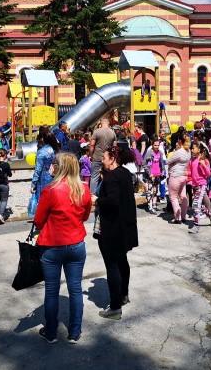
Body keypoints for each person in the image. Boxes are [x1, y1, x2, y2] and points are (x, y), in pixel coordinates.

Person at [33, 153, 92, 343]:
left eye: (54, 163)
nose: (52, 166)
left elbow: (39, 220)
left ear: (61, 167)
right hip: (76, 243)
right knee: (75, 289)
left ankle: (51, 332)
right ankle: (74, 331)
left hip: (52, 244)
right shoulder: (83, 189)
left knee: (51, 290)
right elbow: (84, 216)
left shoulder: (51, 190)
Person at [96, 145, 138, 320]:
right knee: (122, 262)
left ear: (112, 159)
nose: (102, 160)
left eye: (104, 158)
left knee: (112, 266)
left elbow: (112, 201)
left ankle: (114, 307)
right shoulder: (125, 173)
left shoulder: (111, 177)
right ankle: (123, 294)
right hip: (125, 227)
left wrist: (97, 200)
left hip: (112, 229)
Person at [30, 132, 59, 220]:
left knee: (43, 201)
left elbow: (38, 169)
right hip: (55, 177)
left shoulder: (42, 152)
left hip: (44, 178)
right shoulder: (56, 150)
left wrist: (33, 183)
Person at [188, 142, 211, 233]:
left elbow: (208, 174)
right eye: (191, 148)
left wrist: (203, 164)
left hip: (201, 185)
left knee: (196, 205)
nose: (191, 150)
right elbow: (190, 173)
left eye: (193, 148)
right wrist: (190, 182)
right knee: (200, 206)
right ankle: (210, 214)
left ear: (199, 150)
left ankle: (196, 225)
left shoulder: (204, 160)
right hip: (195, 186)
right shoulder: (191, 160)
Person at [89, 118, 116, 195]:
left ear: (101, 123)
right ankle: (106, 193)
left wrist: (91, 155)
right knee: (108, 176)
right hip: (108, 159)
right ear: (108, 123)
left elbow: (92, 145)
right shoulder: (112, 133)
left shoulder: (97, 132)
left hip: (97, 157)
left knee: (94, 177)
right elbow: (114, 147)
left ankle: (92, 196)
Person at [167, 136, 191, 224]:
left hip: (175, 175)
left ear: (180, 142)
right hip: (183, 175)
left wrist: (173, 154)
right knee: (183, 196)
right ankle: (184, 216)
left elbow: (168, 161)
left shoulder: (179, 152)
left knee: (173, 197)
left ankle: (178, 218)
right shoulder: (188, 151)